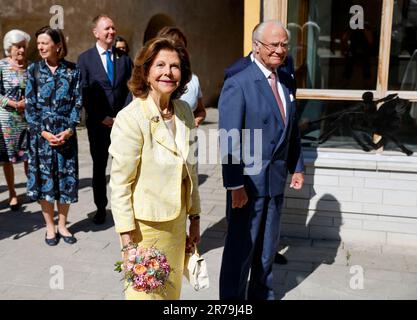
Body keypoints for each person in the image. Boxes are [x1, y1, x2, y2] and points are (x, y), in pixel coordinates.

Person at [109, 37, 201, 300]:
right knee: (145, 296)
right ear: (146, 72)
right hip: (143, 231)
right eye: (160, 65)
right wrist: (128, 243)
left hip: (176, 226)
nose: (168, 72)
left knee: (170, 296)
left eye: (175, 66)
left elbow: (190, 172)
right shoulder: (131, 117)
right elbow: (120, 184)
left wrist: (194, 219)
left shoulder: (183, 111)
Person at [218, 20, 305, 300]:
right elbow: (229, 140)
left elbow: (291, 129)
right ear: (257, 47)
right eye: (274, 45)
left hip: (275, 185)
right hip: (248, 188)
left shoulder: (287, 80)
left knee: (266, 254)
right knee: (240, 255)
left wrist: (297, 166)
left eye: (284, 44)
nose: (280, 50)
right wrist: (234, 185)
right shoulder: (238, 82)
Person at [25, 26, 82, 246]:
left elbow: (77, 103)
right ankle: (50, 227)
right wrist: (44, 132)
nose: (40, 47)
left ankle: (63, 225)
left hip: (66, 135)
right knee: (45, 182)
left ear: (57, 45)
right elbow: (30, 106)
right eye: (38, 43)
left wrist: (68, 131)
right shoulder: (34, 70)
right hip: (41, 138)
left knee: (65, 182)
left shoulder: (73, 70)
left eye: (44, 43)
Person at [77, 14, 133, 224]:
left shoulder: (124, 58)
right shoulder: (85, 59)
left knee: (124, 167)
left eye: (113, 28)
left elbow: (131, 88)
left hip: (122, 125)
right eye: (107, 28)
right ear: (96, 33)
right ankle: (101, 207)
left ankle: (124, 207)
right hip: (98, 125)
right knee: (99, 168)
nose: (112, 32)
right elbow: (84, 91)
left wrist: (123, 115)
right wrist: (102, 117)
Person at [0, 29, 31, 211]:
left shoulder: (30, 67)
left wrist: (27, 102)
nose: (21, 50)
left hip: (26, 117)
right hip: (7, 119)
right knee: (8, 159)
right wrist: (13, 103)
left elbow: (34, 90)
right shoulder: (1, 66)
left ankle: (31, 187)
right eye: (18, 47)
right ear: (9, 48)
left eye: (23, 47)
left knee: (29, 156)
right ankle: (12, 193)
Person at [157, 26, 206, 127]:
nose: (168, 72)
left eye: (180, 47)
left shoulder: (193, 80)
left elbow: (200, 111)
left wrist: (195, 121)